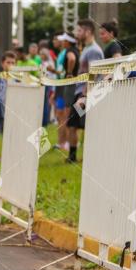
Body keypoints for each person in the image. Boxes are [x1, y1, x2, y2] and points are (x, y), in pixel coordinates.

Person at [67, 19, 103, 163]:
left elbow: (93, 74)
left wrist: (84, 95)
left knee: (80, 125)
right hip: (81, 92)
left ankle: (78, 157)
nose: (77, 33)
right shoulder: (87, 48)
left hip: (85, 93)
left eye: (79, 30)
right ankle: (74, 156)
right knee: (74, 125)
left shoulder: (94, 50)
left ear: (88, 32)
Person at [55, 33, 79, 153]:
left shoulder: (69, 50)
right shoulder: (68, 50)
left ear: (68, 42)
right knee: (63, 115)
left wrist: (69, 72)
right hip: (65, 84)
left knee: (67, 115)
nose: (62, 42)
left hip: (68, 84)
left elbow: (72, 59)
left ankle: (69, 143)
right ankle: (64, 143)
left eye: (64, 40)